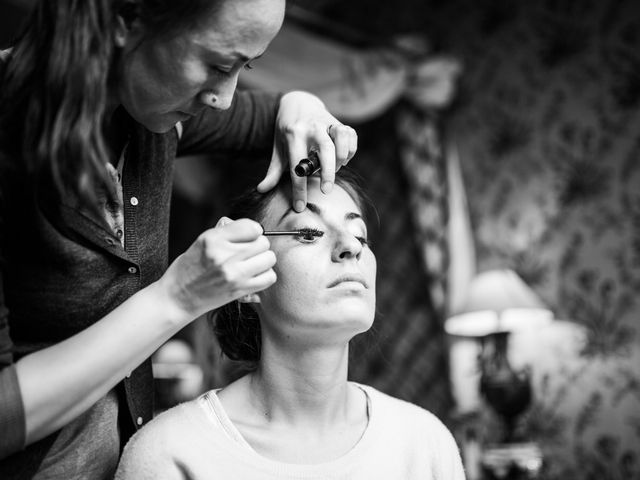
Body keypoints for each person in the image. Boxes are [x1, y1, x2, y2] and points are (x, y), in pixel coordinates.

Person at [0, 0, 358, 477]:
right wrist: (177, 297)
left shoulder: (152, 107)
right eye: (217, 65)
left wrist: (304, 107)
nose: (225, 98)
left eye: (245, 67)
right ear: (126, 21)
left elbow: (273, 113)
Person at [115, 170, 466, 480]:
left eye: (359, 235)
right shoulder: (172, 453)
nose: (350, 247)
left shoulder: (423, 443)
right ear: (246, 278)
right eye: (309, 232)